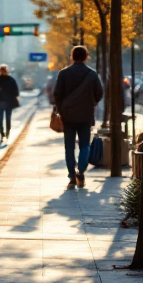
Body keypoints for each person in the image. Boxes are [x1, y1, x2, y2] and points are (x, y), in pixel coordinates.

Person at [53, 45, 104, 189]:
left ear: (72, 56)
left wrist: (62, 110)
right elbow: (99, 93)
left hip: (68, 116)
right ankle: (80, 171)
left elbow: (57, 94)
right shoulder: (92, 74)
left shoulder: (63, 74)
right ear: (86, 56)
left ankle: (71, 176)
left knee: (69, 147)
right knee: (85, 145)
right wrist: (91, 102)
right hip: (85, 115)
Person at [0, 64, 20, 142]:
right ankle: (6, 132)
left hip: (1, 102)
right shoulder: (11, 80)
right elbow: (16, 92)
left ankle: (2, 133)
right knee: (7, 118)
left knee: (1, 119)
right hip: (8, 102)